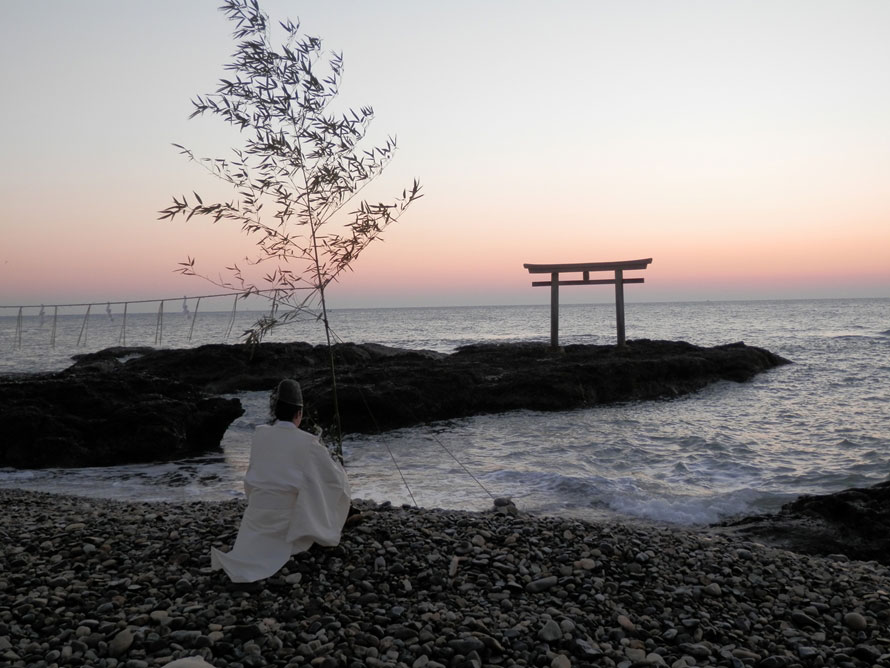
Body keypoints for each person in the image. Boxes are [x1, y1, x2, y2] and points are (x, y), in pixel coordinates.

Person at [210, 379, 351, 583]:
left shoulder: (260, 435)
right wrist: (339, 468)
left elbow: (251, 481)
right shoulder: (308, 443)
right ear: (299, 414)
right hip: (285, 524)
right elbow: (333, 482)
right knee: (331, 480)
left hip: (255, 518)